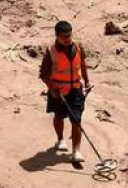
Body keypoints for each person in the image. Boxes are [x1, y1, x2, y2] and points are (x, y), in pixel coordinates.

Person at [40, 20, 91, 163]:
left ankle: (76, 151)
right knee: (59, 116)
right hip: (59, 91)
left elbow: (82, 65)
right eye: (64, 37)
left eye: (69, 35)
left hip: (75, 89)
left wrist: (87, 82)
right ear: (57, 36)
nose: (68, 39)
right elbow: (43, 75)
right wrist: (52, 89)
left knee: (77, 120)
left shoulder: (78, 46)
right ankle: (60, 139)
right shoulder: (51, 52)